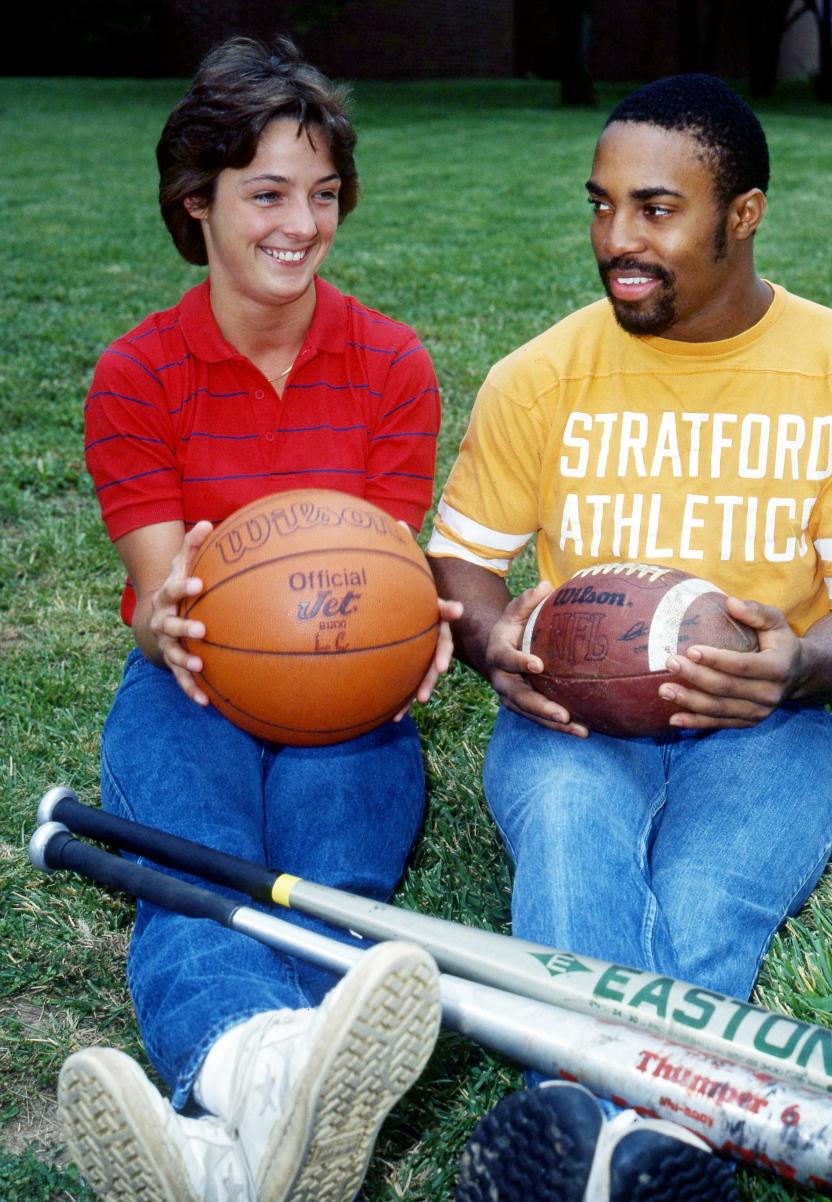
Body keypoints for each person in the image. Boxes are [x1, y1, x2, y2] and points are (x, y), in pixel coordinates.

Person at [428, 73, 832, 1202]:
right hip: (576, 704)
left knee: (706, 905)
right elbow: (462, 555)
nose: (618, 240)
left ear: (741, 214)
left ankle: (578, 1129)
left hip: (762, 720)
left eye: (655, 209)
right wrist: (492, 632)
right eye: (601, 205)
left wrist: (798, 664)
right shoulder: (540, 373)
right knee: (566, 827)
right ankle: (666, 1145)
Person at [66, 36, 461, 1202]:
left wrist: (412, 615)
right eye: (268, 193)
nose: (302, 223)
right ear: (198, 202)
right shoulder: (138, 374)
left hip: (352, 687)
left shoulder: (391, 362)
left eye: (324, 194)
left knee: (330, 873)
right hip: (191, 676)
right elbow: (161, 611)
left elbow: (386, 568)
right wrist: (175, 609)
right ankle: (272, 1079)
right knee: (193, 873)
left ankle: (229, 1137)